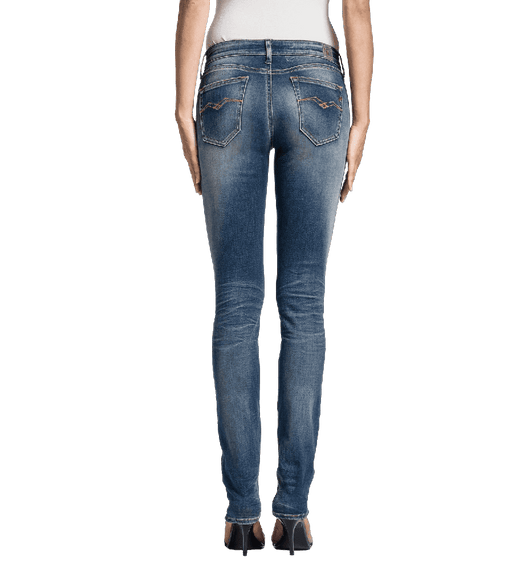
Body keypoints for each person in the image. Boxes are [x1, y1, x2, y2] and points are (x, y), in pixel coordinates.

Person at [174, 0, 373, 557]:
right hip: (316, 80)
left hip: (227, 78)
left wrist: (183, 106)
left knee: (236, 304)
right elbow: (357, 6)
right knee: (304, 303)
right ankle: (295, 516)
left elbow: (195, 2)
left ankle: (241, 517)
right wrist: (362, 117)